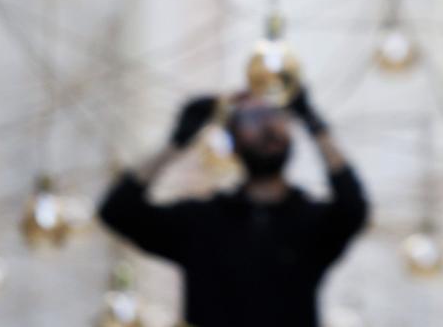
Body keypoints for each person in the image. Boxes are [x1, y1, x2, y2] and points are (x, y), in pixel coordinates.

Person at [98, 87, 368, 327]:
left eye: (275, 116)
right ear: (233, 140)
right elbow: (119, 211)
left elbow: (353, 207)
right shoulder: (201, 222)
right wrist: (175, 144)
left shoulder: (310, 222)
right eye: (252, 119)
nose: (267, 127)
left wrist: (315, 124)